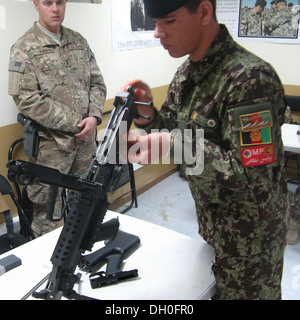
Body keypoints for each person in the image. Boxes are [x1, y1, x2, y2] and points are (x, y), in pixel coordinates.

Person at [122, 0, 289, 299]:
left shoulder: (249, 80)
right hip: (214, 224)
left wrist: (176, 146)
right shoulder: (187, 74)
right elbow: (170, 132)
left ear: (203, 12)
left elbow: (253, 175)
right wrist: (148, 116)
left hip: (253, 239)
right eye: (156, 22)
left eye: (169, 22)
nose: (158, 33)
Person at [8, 0, 107, 237]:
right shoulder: (24, 47)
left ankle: (80, 256)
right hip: (50, 148)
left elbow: (97, 83)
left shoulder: (78, 41)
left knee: (84, 204)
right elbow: (26, 99)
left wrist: (93, 116)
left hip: (84, 144)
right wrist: (76, 122)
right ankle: (48, 268)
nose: (55, 9)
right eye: (48, 3)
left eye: (60, 2)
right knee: (47, 216)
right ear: (36, 5)